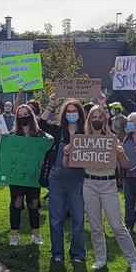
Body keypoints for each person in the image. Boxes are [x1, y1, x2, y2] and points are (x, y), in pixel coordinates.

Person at [65, 105, 136, 272]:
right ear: (89, 120)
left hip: (108, 184)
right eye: (94, 117)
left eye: (100, 117)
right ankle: (100, 258)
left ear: (105, 120)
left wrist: (121, 153)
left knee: (117, 225)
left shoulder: (112, 139)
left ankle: (133, 260)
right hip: (89, 183)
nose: (97, 120)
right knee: (95, 226)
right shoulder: (82, 139)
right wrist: (67, 152)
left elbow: (126, 165)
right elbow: (69, 163)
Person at [38, 95, 87, 263]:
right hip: (57, 179)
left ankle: (77, 254)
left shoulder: (85, 133)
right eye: (69, 111)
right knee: (56, 219)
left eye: (74, 111)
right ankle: (57, 253)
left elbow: (104, 130)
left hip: (78, 180)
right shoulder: (58, 130)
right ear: (64, 114)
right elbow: (42, 124)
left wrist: (102, 105)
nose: (72, 114)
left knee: (78, 219)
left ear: (80, 113)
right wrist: (51, 104)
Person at [6, 104, 51, 246]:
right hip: (17, 177)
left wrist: (49, 138)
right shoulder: (13, 135)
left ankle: (36, 235)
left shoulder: (39, 134)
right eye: (20, 115)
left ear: (31, 116)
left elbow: (49, 138)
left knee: (34, 204)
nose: (23, 117)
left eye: (26, 114)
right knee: (16, 203)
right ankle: (14, 236)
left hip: (33, 176)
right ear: (17, 118)